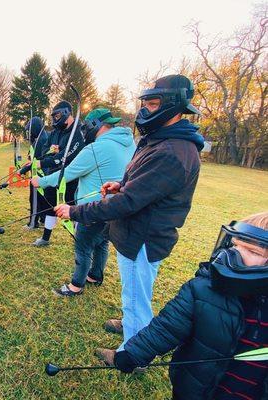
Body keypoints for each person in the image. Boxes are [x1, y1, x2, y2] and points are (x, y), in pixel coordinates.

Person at [55, 75, 205, 360]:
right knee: (133, 293)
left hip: (143, 238)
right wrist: (120, 184)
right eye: (145, 103)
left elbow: (126, 204)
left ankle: (132, 354)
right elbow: (144, 187)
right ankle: (131, 325)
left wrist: (74, 210)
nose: (145, 109)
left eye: (152, 103)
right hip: (135, 233)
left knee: (137, 298)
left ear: (172, 106)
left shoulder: (173, 151)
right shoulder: (159, 141)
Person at [113, 212, 268, 400]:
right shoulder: (204, 287)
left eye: (252, 251)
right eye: (235, 245)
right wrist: (135, 352)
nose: (234, 255)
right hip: (194, 388)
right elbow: (168, 326)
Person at [32, 108, 136, 296]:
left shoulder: (95, 148)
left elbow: (68, 173)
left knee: (84, 244)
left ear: (95, 125)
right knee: (102, 242)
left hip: (94, 208)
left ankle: (76, 286)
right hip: (115, 207)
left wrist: (41, 181)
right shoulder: (129, 144)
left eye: (87, 126)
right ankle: (95, 275)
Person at [32, 101, 85, 246]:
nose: (55, 119)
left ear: (67, 113)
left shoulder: (78, 133)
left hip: (71, 179)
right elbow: (43, 151)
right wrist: (51, 152)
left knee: (72, 209)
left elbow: (66, 157)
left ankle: (78, 241)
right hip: (52, 176)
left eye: (58, 115)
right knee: (50, 206)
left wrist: (51, 158)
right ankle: (45, 238)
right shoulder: (55, 132)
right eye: (53, 116)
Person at [18, 116, 49, 230]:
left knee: (35, 199)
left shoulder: (40, 141)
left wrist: (22, 171)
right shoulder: (42, 137)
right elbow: (33, 159)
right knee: (41, 199)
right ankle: (43, 218)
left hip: (39, 175)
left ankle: (33, 223)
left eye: (30, 130)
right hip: (43, 175)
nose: (29, 133)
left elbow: (35, 162)